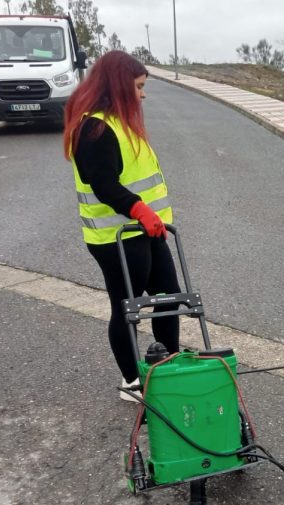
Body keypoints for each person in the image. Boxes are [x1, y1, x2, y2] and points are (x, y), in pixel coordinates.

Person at [63, 50, 180, 402]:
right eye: (139, 87)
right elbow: (104, 184)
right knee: (126, 308)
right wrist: (139, 209)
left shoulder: (121, 123)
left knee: (169, 297)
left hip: (147, 230)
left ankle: (168, 367)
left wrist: (148, 217)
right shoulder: (94, 129)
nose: (143, 94)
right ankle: (133, 382)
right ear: (119, 86)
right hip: (114, 236)